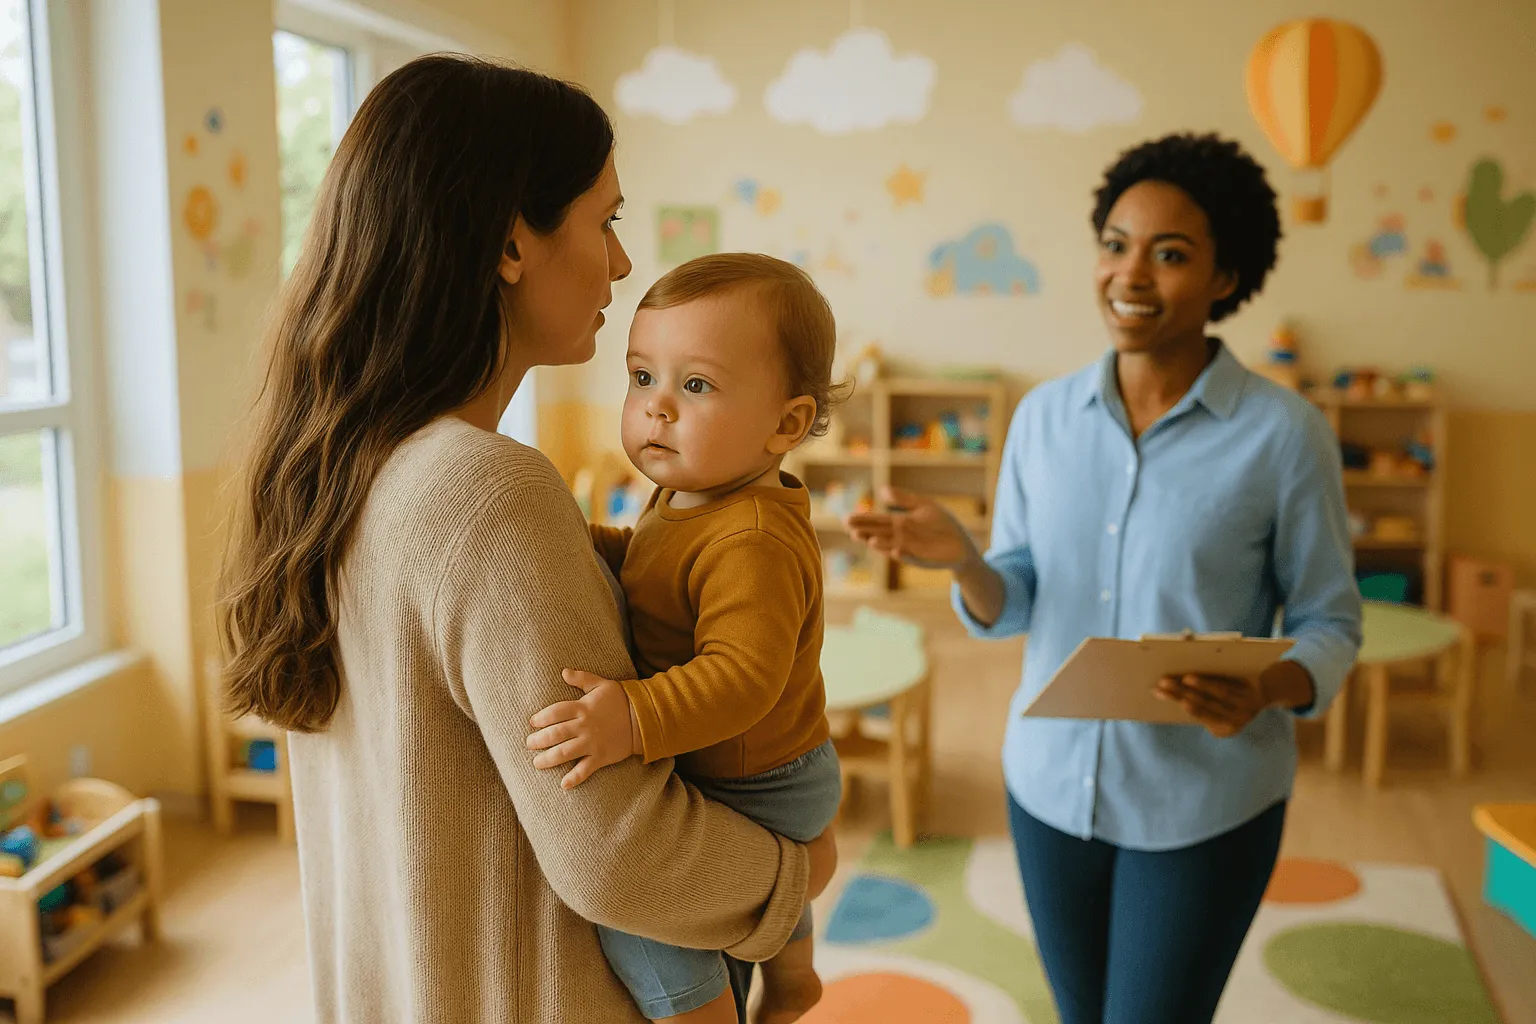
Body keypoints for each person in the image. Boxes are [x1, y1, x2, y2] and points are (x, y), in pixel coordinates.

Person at [216, 55, 834, 1024]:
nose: (622, 264)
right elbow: (619, 851)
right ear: (513, 242)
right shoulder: (486, 490)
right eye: (607, 221)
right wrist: (793, 876)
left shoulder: (336, 462)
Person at [844, 133, 1362, 1024]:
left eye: (1171, 254)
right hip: (1047, 793)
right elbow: (1017, 599)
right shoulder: (1044, 417)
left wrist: (1267, 688)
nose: (1132, 273)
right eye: (1116, 244)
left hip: (1205, 802)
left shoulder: (1284, 435)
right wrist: (964, 559)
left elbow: (1332, 620)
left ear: (1226, 279)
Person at [525, 254, 846, 1024]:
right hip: (753, 765)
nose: (656, 408)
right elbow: (649, 568)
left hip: (761, 780)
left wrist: (632, 716)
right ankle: (794, 974)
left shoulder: (753, 537)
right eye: (642, 378)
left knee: (644, 911)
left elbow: (741, 677)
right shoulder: (689, 489)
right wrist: (576, 544)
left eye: (695, 386)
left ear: (787, 424)